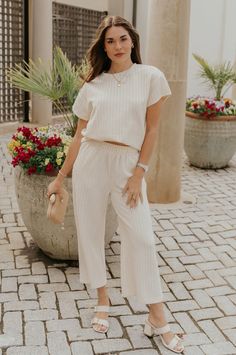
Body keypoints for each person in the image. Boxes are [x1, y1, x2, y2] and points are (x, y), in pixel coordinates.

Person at [47, 15, 185, 354]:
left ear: (133, 41)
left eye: (123, 39)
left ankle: (157, 317)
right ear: (103, 47)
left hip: (127, 163)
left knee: (142, 239)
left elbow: (152, 131)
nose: (118, 46)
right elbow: (79, 135)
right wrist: (61, 177)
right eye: (110, 41)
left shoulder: (150, 77)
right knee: (90, 233)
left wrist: (139, 173)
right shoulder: (94, 85)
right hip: (92, 160)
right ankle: (102, 299)